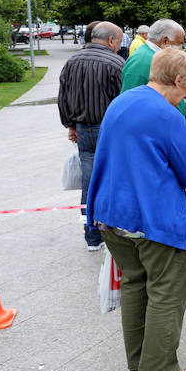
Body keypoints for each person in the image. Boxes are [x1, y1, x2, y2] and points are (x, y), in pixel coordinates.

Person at [86, 48, 186, 371]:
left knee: (135, 284)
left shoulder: (121, 102)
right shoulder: (167, 116)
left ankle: (138, 362)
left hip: (110, 215)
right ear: (178, 79)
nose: (185, 96)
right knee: (167, 290)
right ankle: (159, 369)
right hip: (149, 219)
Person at [57, 21, 125, 251]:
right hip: (110, 131)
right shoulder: (116, 63)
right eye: (119, 40)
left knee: (89, 181)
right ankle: (114, 230)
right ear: (111, 40)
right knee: (115, 178)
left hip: (84, 129)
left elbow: (63, 97)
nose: (119, 45)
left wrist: (71, 125)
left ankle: (92, 237)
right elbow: (123, 101)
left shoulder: (71, 62)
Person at [121, 19, 186, 116]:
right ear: (165, 40)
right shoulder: (143, 61)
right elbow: (129, 105)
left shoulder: (152, 56)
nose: (181, 49)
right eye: (179, 43)